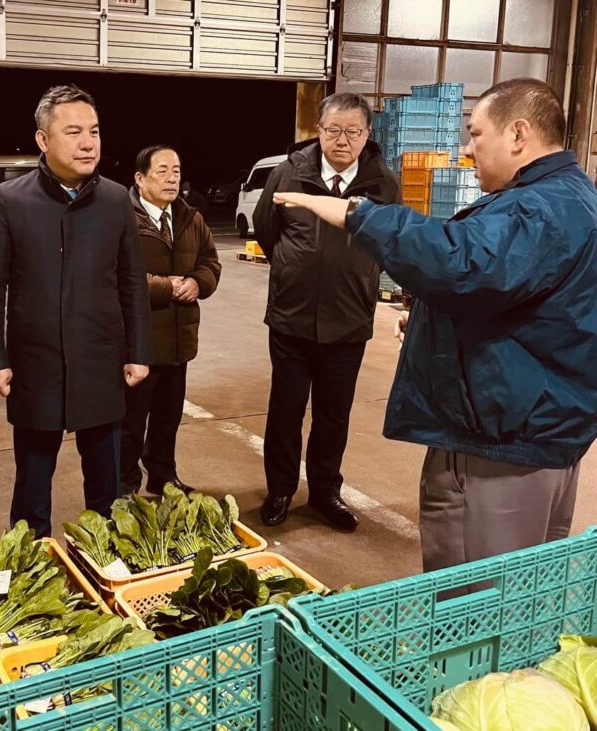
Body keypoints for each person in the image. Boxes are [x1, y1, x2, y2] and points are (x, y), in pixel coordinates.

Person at [273, 78, 597, 571]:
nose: (466, 149)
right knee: (522, 592)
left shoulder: (537, 207)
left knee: (473, 595)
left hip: (501, 442)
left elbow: (461, 261)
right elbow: (520, 296)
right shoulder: (572, 195)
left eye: (476, 134)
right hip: (542, 431)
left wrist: (359, 215)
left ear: (518, 134)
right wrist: (436, 319)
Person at [0, 84, 151, 538]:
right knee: (33, 486)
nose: (88, 143)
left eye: (94, 131)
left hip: (101, 362)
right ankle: (32, 555)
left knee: (107, 492)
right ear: (43, 140)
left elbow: (131, 280)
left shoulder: (115, 199)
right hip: (36, 365)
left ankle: (104, 560)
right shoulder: (11, 200)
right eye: (73, 132)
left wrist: (138, 350)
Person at [251, 92, 401, 531]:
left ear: (367, 135)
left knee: (334, 414)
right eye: (333, 130)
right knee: (286, 409)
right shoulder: (288, 173)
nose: (342, 140)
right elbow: (266, 229)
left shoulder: (382, 183)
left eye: (353, 131)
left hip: (348, 319)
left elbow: (391, 239)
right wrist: (294, 268)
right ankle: (280, 489)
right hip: (291, 317)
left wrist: (357, 275)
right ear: (318, 130)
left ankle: (324, 493)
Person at [121, 146, 221, 496]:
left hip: (178, 341)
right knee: (130, 422)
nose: (171, 178)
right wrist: (167, 287)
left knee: (167, 418)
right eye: (162, 170)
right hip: (137, 342)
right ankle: (124, 485)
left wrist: (198, 282)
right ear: (140, 178)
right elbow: (115, 274)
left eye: (176, 171)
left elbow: (210, 261)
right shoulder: (123, 219)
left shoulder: (190, 218)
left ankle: (163, 476)